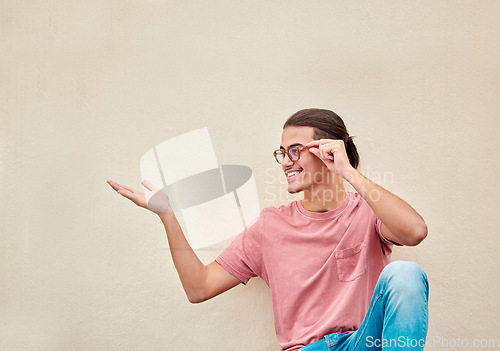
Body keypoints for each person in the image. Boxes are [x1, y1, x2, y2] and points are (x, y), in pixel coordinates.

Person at [107, 108, 429, 351]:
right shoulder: (270, 227)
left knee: (406, 274)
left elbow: (414, 231)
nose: (286, 162)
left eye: (295, 150)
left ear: (328, 150)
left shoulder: (367, 213)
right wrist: (166, 215)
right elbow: (199, 287)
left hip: (363, 343)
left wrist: (347, 172)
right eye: (282, 153)